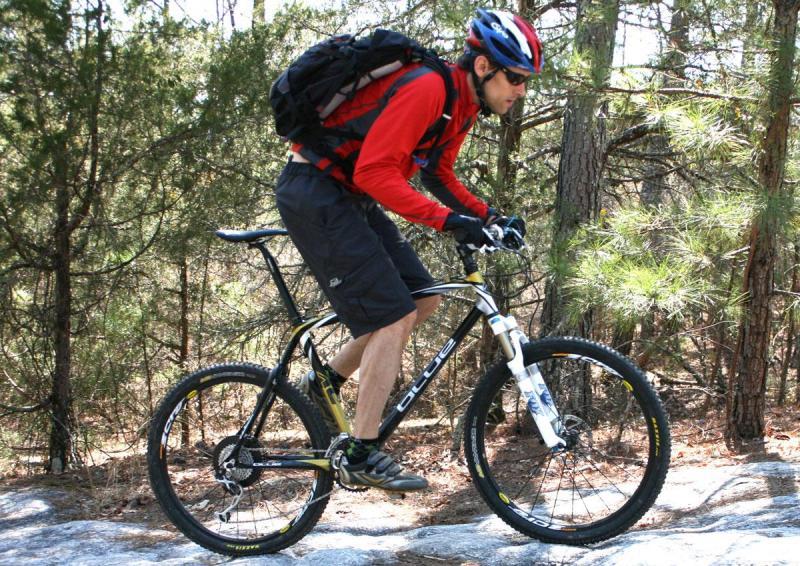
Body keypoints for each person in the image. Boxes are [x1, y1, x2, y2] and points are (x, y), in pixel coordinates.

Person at [275, 8, 543, 491]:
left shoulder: (460, 106)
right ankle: (361, 451)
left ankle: (325, 381)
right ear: (483, 67)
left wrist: (487, 217)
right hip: (314, 191)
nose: (521, 91)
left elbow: (438, 174)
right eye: (517, 78)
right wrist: (449, 221)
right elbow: (375, 174)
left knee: (424, 298)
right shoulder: (427, 89)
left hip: (344, 195)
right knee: (391, 317)